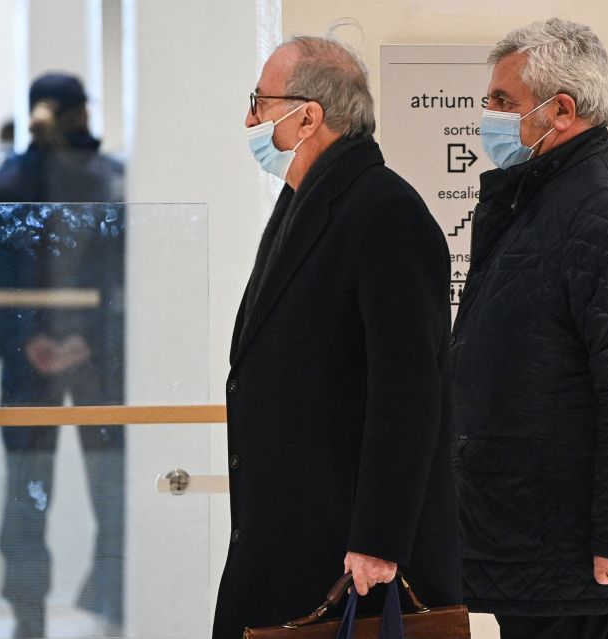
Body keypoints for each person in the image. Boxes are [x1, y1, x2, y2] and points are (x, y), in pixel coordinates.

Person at [211, 36, 460, 638]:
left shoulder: (384, 211)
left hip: (347, 552)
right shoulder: (305, 201)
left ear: (308, 116)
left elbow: (409, 392)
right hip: (289, 527)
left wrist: (377, 539)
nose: (249, 119)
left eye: (259, 102)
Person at [451, 18, 608, 639]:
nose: (487, 114)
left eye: (503, 101)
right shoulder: (542, 194)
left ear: (560, 109)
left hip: (574, 539)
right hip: (532, 525)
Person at [0, 72, 125, 638]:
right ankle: (110, 610)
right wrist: (83, 341)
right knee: (105, 491)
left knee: (31, 496)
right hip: (91, 359)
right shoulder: (105, 177)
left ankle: (30, 621)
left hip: (39, 358)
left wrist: (27, 338)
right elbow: (120, 277)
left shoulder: (8, 177)